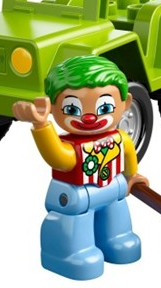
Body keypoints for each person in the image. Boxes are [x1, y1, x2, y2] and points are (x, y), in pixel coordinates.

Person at [13, 55, 146, 280]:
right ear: (52, 107)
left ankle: (116, 238)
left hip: (114, 188)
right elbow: (59, 158)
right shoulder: (71, 148)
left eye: (104, 107)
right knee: (75, 220)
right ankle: (70, 253)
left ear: (125, 103)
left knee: (116, 213)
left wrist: (132, 175)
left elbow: (128, 152)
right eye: (73, 109)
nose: (90, 117)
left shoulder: (119, 137)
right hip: (77, 195)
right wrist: (41, 125)